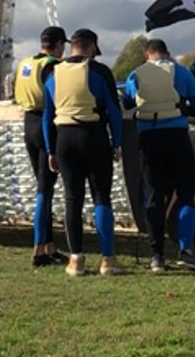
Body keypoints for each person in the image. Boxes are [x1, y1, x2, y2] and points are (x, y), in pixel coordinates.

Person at [122, 38, 195, 272]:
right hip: (177, 136)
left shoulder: (135, 75)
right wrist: (183, 108)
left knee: (153, 195)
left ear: (146, 56)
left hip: (148, 138)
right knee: (185, 193)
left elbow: (127, 103)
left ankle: (157, 256)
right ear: (167, 53)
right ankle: (186, 250)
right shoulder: (181, 72)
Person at [42, 29, 125, 276]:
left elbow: (47, 116)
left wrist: (50, 150)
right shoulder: (99, 71)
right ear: (92, 48)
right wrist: (117, 143)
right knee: (101, 196)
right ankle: (108, 260)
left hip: (64, 139)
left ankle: (76, 259)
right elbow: (114, 111)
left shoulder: (52, 73)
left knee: (72, 199)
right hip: (94, 135)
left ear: (72, 46)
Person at [15, 26, 68, 267]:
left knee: (44, 187)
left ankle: (49, 246)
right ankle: (39, 250)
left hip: (29, 123)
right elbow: (57, 96)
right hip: (47, 124)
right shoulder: (51, 66)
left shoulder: (26, 63)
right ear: (58, 45)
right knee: (45, 190)